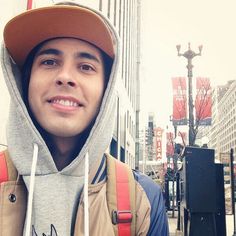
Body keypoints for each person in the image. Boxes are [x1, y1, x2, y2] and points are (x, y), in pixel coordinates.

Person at [1, 2, 169, 236]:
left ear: (106, 90)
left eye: (86, 66)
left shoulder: (141, 200)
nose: (65, 77)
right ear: (25, 82)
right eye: (49, 61)